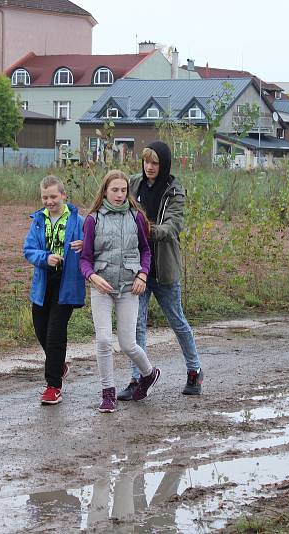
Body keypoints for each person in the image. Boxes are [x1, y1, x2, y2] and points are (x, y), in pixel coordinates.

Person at [118, 141, 204, 401]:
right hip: (138, 269)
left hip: (163, 270)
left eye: (155, 163)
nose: (149, 167)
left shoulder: (174, 191)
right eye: (146, 162)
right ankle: (138, 379)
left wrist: (145, 229)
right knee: (137, 326)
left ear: (163, 164)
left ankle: (194, 370)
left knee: (177, 321)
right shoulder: (133, 184)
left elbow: (172, 227)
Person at [80, 170, 160, 413]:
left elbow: (146, 251)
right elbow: (84, 259)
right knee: (104, 340)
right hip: (102, 288)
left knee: (127, 343)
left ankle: (149, 374)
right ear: (105, 191)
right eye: (114, 190)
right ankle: (108, 393)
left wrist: (143, 274)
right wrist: (92, 276)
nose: (119, 194)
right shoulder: (93, 219)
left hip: (129, 288)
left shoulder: (136, 218)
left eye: (123, 190)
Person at [23, 176, 85, 405]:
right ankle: (59, 365)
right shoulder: (38, 220)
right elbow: (28, 249)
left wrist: (84, 244)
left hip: (67, 283)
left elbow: (92, 243)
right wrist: (45, 258)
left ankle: (53, 386)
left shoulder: (78, 219)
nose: (49, 201)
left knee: (56, 333)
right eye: (45, 197)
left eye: (53, 197)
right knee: (41, 329)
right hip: (43, 281)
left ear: (63, 196)